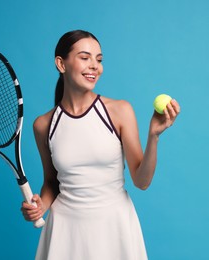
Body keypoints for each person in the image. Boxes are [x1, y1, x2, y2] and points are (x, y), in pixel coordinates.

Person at [21, 30, 180, 260]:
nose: (95, 65)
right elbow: (51, 182)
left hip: (115, 227)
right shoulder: (43, 125)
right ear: (61, 64)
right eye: (85, 58)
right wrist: (40, 205)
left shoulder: (119, 111)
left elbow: (142, 181)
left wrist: (153, 136)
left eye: (99, 59)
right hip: (65, 231)